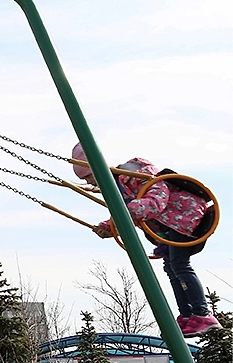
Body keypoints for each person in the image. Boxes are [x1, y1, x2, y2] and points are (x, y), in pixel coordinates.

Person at [72, 144, 221, 337]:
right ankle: (186, 315)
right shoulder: (117, 188)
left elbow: (155, 201)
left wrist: (124, 213)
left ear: (97, 170)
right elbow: (132, 216)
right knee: (171, 267)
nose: (90, 183)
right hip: (167, 224)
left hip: (184, 214)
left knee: (180, 264)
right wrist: (109, 226)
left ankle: (202, 314)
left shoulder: (135, 174)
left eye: (88, 177)